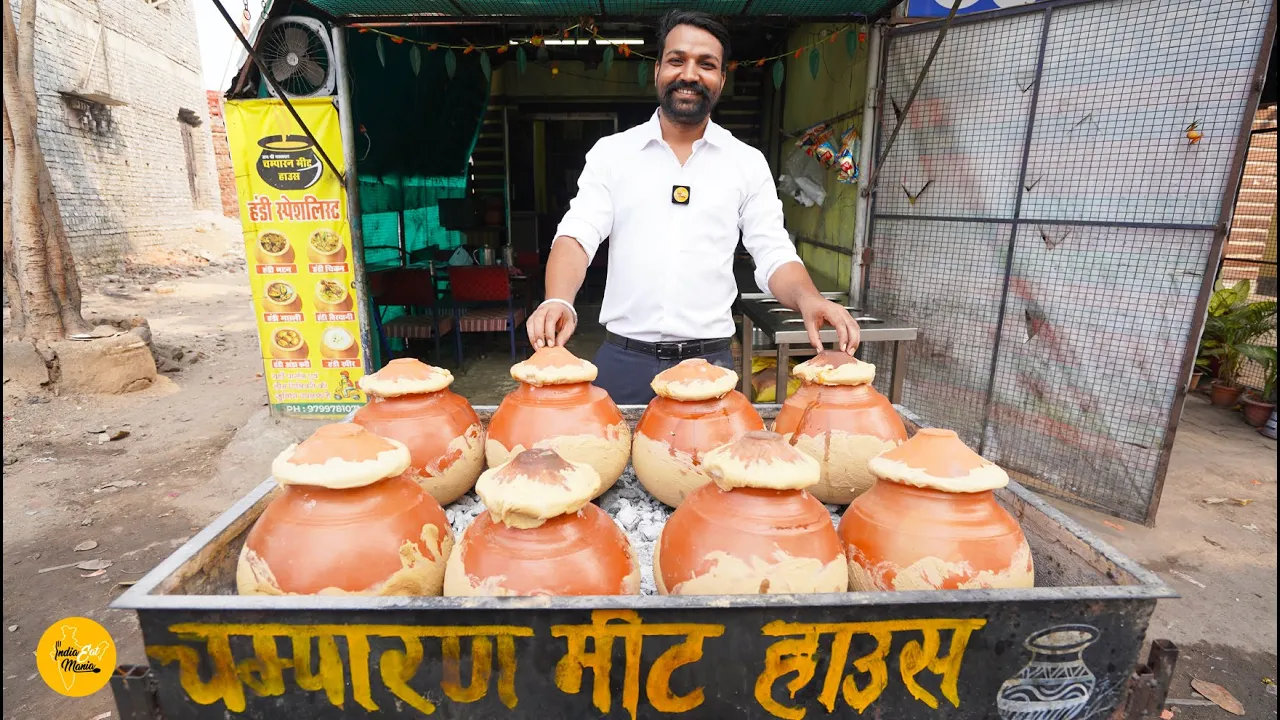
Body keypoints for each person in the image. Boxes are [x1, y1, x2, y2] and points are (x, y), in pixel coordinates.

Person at [526, 9, 861, 404]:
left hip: (710, 365)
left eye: (706, 64)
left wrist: (809, 298)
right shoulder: (613, 154)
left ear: (721, 78)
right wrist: (557, 299)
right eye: (676, 60)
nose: (689, 74)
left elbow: (772, 250)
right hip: (623, 360)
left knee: (712, 466)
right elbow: (578, 235)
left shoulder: (745, 162)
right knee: (614, 464)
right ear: (658, 71)